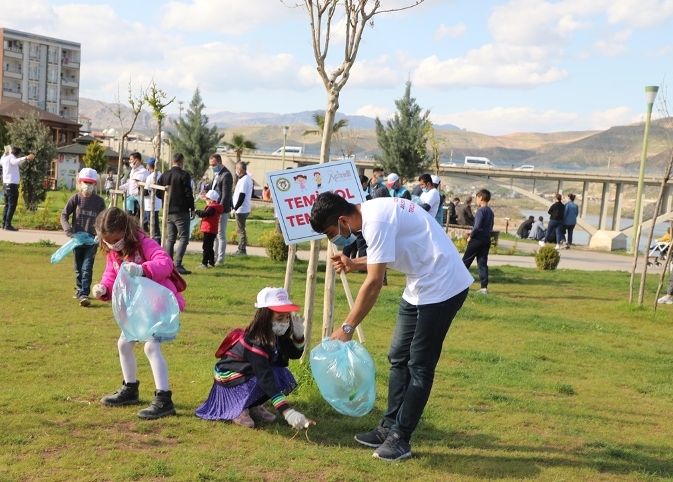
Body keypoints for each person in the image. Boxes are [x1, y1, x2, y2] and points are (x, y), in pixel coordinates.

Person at [309, 192, 472, 461]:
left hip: (443, 285)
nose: (333, 240)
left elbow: (375, 282)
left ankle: (401, 438)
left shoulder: (375, 222)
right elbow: (380, 257)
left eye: (330, 232)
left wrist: (347, 327)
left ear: (342, 220)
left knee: (420, 364)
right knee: (398, 355)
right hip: (419, 282)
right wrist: (354, 263)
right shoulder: (372, 217)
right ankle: (387, 428)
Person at [92, 207, 184, 419]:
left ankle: (164, 399)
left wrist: (143, 269)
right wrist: (104, 288)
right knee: (124, 344)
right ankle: (130, 389)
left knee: (151, 348)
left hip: (159, 305)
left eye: (115, 239)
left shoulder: (144, 244)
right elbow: (111, 274)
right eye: (107, 241)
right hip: (137, 309)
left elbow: (165, 262)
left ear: (126, 231)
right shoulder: (114, 252)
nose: (112, 245)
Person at [195, 287, 310, 429]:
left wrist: (298, 337)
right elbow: (265, 378)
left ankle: (252, 405)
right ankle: (237, 409)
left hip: (247, 373)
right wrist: (287, 412)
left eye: (287, 317)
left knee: (281, 374)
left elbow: (294, 354)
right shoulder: (256, 342)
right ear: (265, 317)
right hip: (230, 378)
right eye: (280, 318)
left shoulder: (277, 334)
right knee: (267, 378)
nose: (285, 322)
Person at [60, 168, 107, 307]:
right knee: (78, 268)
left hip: (92, 241)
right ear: (80, 183)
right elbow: (64, 215)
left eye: (91, 183)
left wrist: (100, 235)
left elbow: (103, 220)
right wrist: (68, 230)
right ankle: (80, 288)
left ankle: (84, 294)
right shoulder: (75, 198)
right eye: (85, 182)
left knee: (87, 267)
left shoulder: (99, 201)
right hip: (77, 240)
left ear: (95, 184)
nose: (88, 185)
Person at [158, 152, 195, 274]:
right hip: (181, 210)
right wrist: (192, 208)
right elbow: (188, 193)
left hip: (168, 210)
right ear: (181, 162)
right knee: (184, 237)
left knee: (171, 238)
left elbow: (158, 192)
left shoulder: (164, 175)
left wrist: (165, 200)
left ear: (172, 161)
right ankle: (178, 264)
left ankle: (169, 263)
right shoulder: (184, 175)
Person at [462, 189, 494, 294]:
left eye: (477, 198)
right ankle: (484, 287)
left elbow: (477, 227)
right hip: (486, 239)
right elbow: (489, 227)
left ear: (480, 197)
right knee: (482, 263)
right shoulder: (490, 211)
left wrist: (471, 236)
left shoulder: (481, 210)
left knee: (465, 262)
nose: (476, 201)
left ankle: (457, 284)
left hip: (477, 240)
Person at [0, 147, 35, 231]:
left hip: (5, 184)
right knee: (11, 205)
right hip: (12, 185)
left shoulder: (5, 158)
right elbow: (16, 161)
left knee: (7, 205)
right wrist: (26, 157)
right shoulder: (12, 158)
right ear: (18, 154)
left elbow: (1, 161)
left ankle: (4, 224)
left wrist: (5, 153)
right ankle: (7, 225)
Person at [209, 154, 233, 265]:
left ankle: (220, 258)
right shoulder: (217, 174)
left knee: (221, 234)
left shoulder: (226, 175)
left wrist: (220, 209)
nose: (212, 167)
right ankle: (214, 256)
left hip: (222, 209)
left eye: (214, 164)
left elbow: (226, 195)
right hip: (214, 206)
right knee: (215, 234)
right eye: (211, 165)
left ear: (220, 162)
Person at [195, 189, 223, 268]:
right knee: (210, 247)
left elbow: (205, 214)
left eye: (207, 199)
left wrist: (196, 211)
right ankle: (211, 262)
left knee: (206, 247)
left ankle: (204, 263)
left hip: (209, 229)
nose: (206, 201)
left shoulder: (212, 208)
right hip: (211, 230)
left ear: (211, 200)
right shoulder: (215, 208)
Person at [232, 161, 254, 255]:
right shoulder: (246, 179)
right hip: (243, 208)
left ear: (239, 170)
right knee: (241, 229)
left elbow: (241, 196)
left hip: (241, 209)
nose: (236, 171)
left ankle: (242, 249)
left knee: (240, 230)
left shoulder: (244, 180)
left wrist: (235, 208)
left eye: (236, 169)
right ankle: (241, 247)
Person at [121, 152, 147, 218]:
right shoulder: (132, 171)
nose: (130, 161)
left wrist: (139, 185)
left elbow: (144, 184)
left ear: (136, 160)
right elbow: (130, 183)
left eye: (131, 159)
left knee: (138, 219)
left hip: (139, 199)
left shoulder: (143, 171)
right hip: (131, 197)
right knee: (128, 216)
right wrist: (120, 187)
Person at [143, 157, 162, 243]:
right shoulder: (161, 174)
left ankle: (155, 241)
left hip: (150, 204)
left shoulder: (150, 177)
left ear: (150, 166)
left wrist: (141, 189)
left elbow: (146, 192)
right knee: (153, 224)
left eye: (147, 164)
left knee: (151, 225)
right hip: (158, 203)